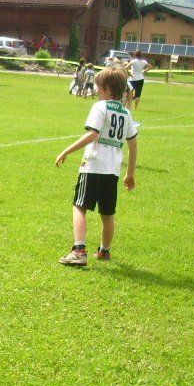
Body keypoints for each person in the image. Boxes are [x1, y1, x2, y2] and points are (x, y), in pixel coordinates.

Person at [55, 67, 138, 267]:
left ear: (107, 89)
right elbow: (133, 144)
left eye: (98, 87)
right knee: (107, 213)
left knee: (79, 206)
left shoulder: (100, 107)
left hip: (93, 165)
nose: (95, 90)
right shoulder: (126, 112)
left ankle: (79, 251)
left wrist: (66, 150)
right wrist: (130, 173)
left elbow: (93, 134)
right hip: (112, 170)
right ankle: (104, 251)